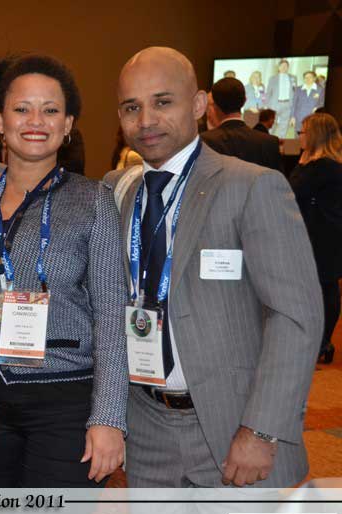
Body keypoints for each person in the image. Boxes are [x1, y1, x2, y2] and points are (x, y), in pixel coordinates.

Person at [106, 46, 322, 488]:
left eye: (163, 102)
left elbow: (295, 316)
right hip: (146, 430)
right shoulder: (116, 191)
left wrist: (262, 429)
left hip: (234, 428)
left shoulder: (252, 187)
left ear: (200, 105)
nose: (146, 120)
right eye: (131, 107)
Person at [0, 54, 127, 487]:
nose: (36, 121)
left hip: (65, 403)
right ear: (0, 121)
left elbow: (111, 315)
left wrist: (109, 417)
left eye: (51, 110)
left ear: (68, 123)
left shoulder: (93, 200)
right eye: (21, 109)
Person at [289, 113, 342, 364]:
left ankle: (322, 342)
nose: (300, 136)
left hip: (322, 236)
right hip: (323, 234)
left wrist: (302, 163)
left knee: (325, 287)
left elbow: (293, 189)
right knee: (325, 286)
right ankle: (321, 341)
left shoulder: (323, 166)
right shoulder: (324, 164)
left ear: (315, 135)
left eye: (303, 131)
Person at [202, 77, 282, 173]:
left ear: (215, 105)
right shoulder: (269, 143)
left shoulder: (205, 141)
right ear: (245, 101)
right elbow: (277, 181)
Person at [266, 59, 297, 138]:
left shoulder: (293, 78)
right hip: (275, 104)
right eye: (282, 66)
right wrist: (267, 105)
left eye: (286, 66)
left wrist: (294, 104)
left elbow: (295, 91)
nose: (284, 67)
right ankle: (269, 138)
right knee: (272, 123)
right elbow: (268, 92)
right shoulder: (273, 78)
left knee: (284, 124)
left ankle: (281, 140)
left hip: (288, 104)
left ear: (288, 67)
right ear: (279, 67)